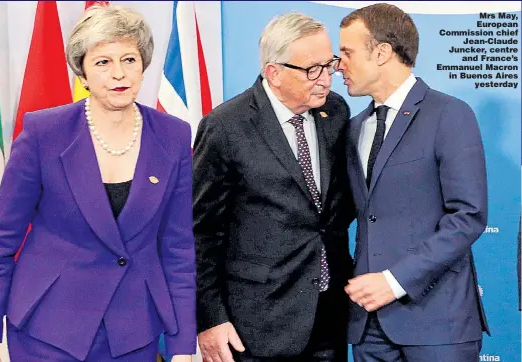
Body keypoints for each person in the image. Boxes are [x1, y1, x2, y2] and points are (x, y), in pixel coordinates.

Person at [0, 5, 196, 362]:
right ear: (83, 72)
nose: (118, 73)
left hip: (133, 333)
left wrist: (183, 347)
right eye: (103, 62)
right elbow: (0, 242)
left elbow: (178, 249)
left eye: (129, 59)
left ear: (143, 65)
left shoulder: (173, 135)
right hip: (49, 328)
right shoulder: (45, 133)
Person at [193, 12, 354, 362]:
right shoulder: (225, 127)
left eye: (330, 65)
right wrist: (210, 319)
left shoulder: (335, 112)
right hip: (256, 325)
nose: (326, 79)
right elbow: (201, 232)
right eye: (312, 69)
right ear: (274, 73)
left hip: (329, 317)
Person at [338, 3, 489, 361]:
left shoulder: (449, 114)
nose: (338, 65)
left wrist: (393, 281)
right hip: (368, 327)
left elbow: (468, 216)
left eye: (347, 53)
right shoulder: (355, 126)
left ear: (382, 52)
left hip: (438, 324)